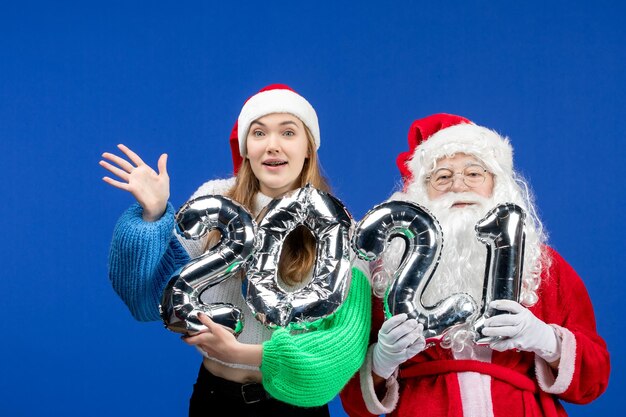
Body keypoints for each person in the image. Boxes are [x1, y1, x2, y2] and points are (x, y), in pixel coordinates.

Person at [100, 84, 371, 417]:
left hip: (295, 409)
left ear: (308, 149)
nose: (273, 145)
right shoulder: (215, 202)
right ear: (246, 148)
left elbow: (343, 348)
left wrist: (246, 353)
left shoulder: (339, 230)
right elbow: (145, 301)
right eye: (259, 133)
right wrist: (152, 216)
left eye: (288, 132)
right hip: (215, 400)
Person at [339, 113, 610, 417]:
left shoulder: (545, 266)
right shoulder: (384, 275)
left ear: (498, 184)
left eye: (474, 173)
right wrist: (381, 361)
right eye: (442, 176)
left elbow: (594, 380)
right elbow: (352, 401)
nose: (458, 185)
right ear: (418, 193)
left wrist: (547, 341)